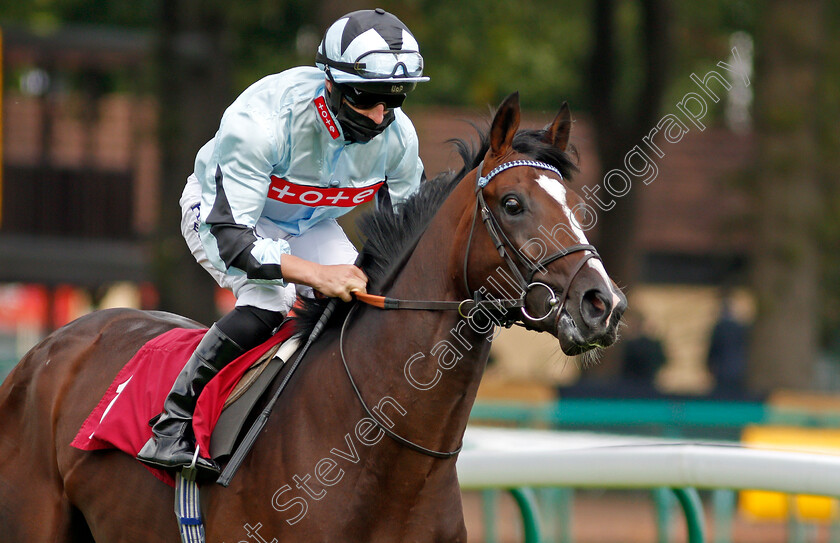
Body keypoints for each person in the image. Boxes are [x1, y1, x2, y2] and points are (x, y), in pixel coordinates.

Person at [137, 8, 428, 475]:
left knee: (366, 300)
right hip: (225, 217)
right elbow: (236, 242)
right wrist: (315, 275)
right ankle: (172, 423)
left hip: (307, 224)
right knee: (272, 300)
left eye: (396, 99)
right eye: (368, 97)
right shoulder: (262, 120)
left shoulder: (399, 136)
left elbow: (407, 237)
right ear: (329, 84)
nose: (381, 116)